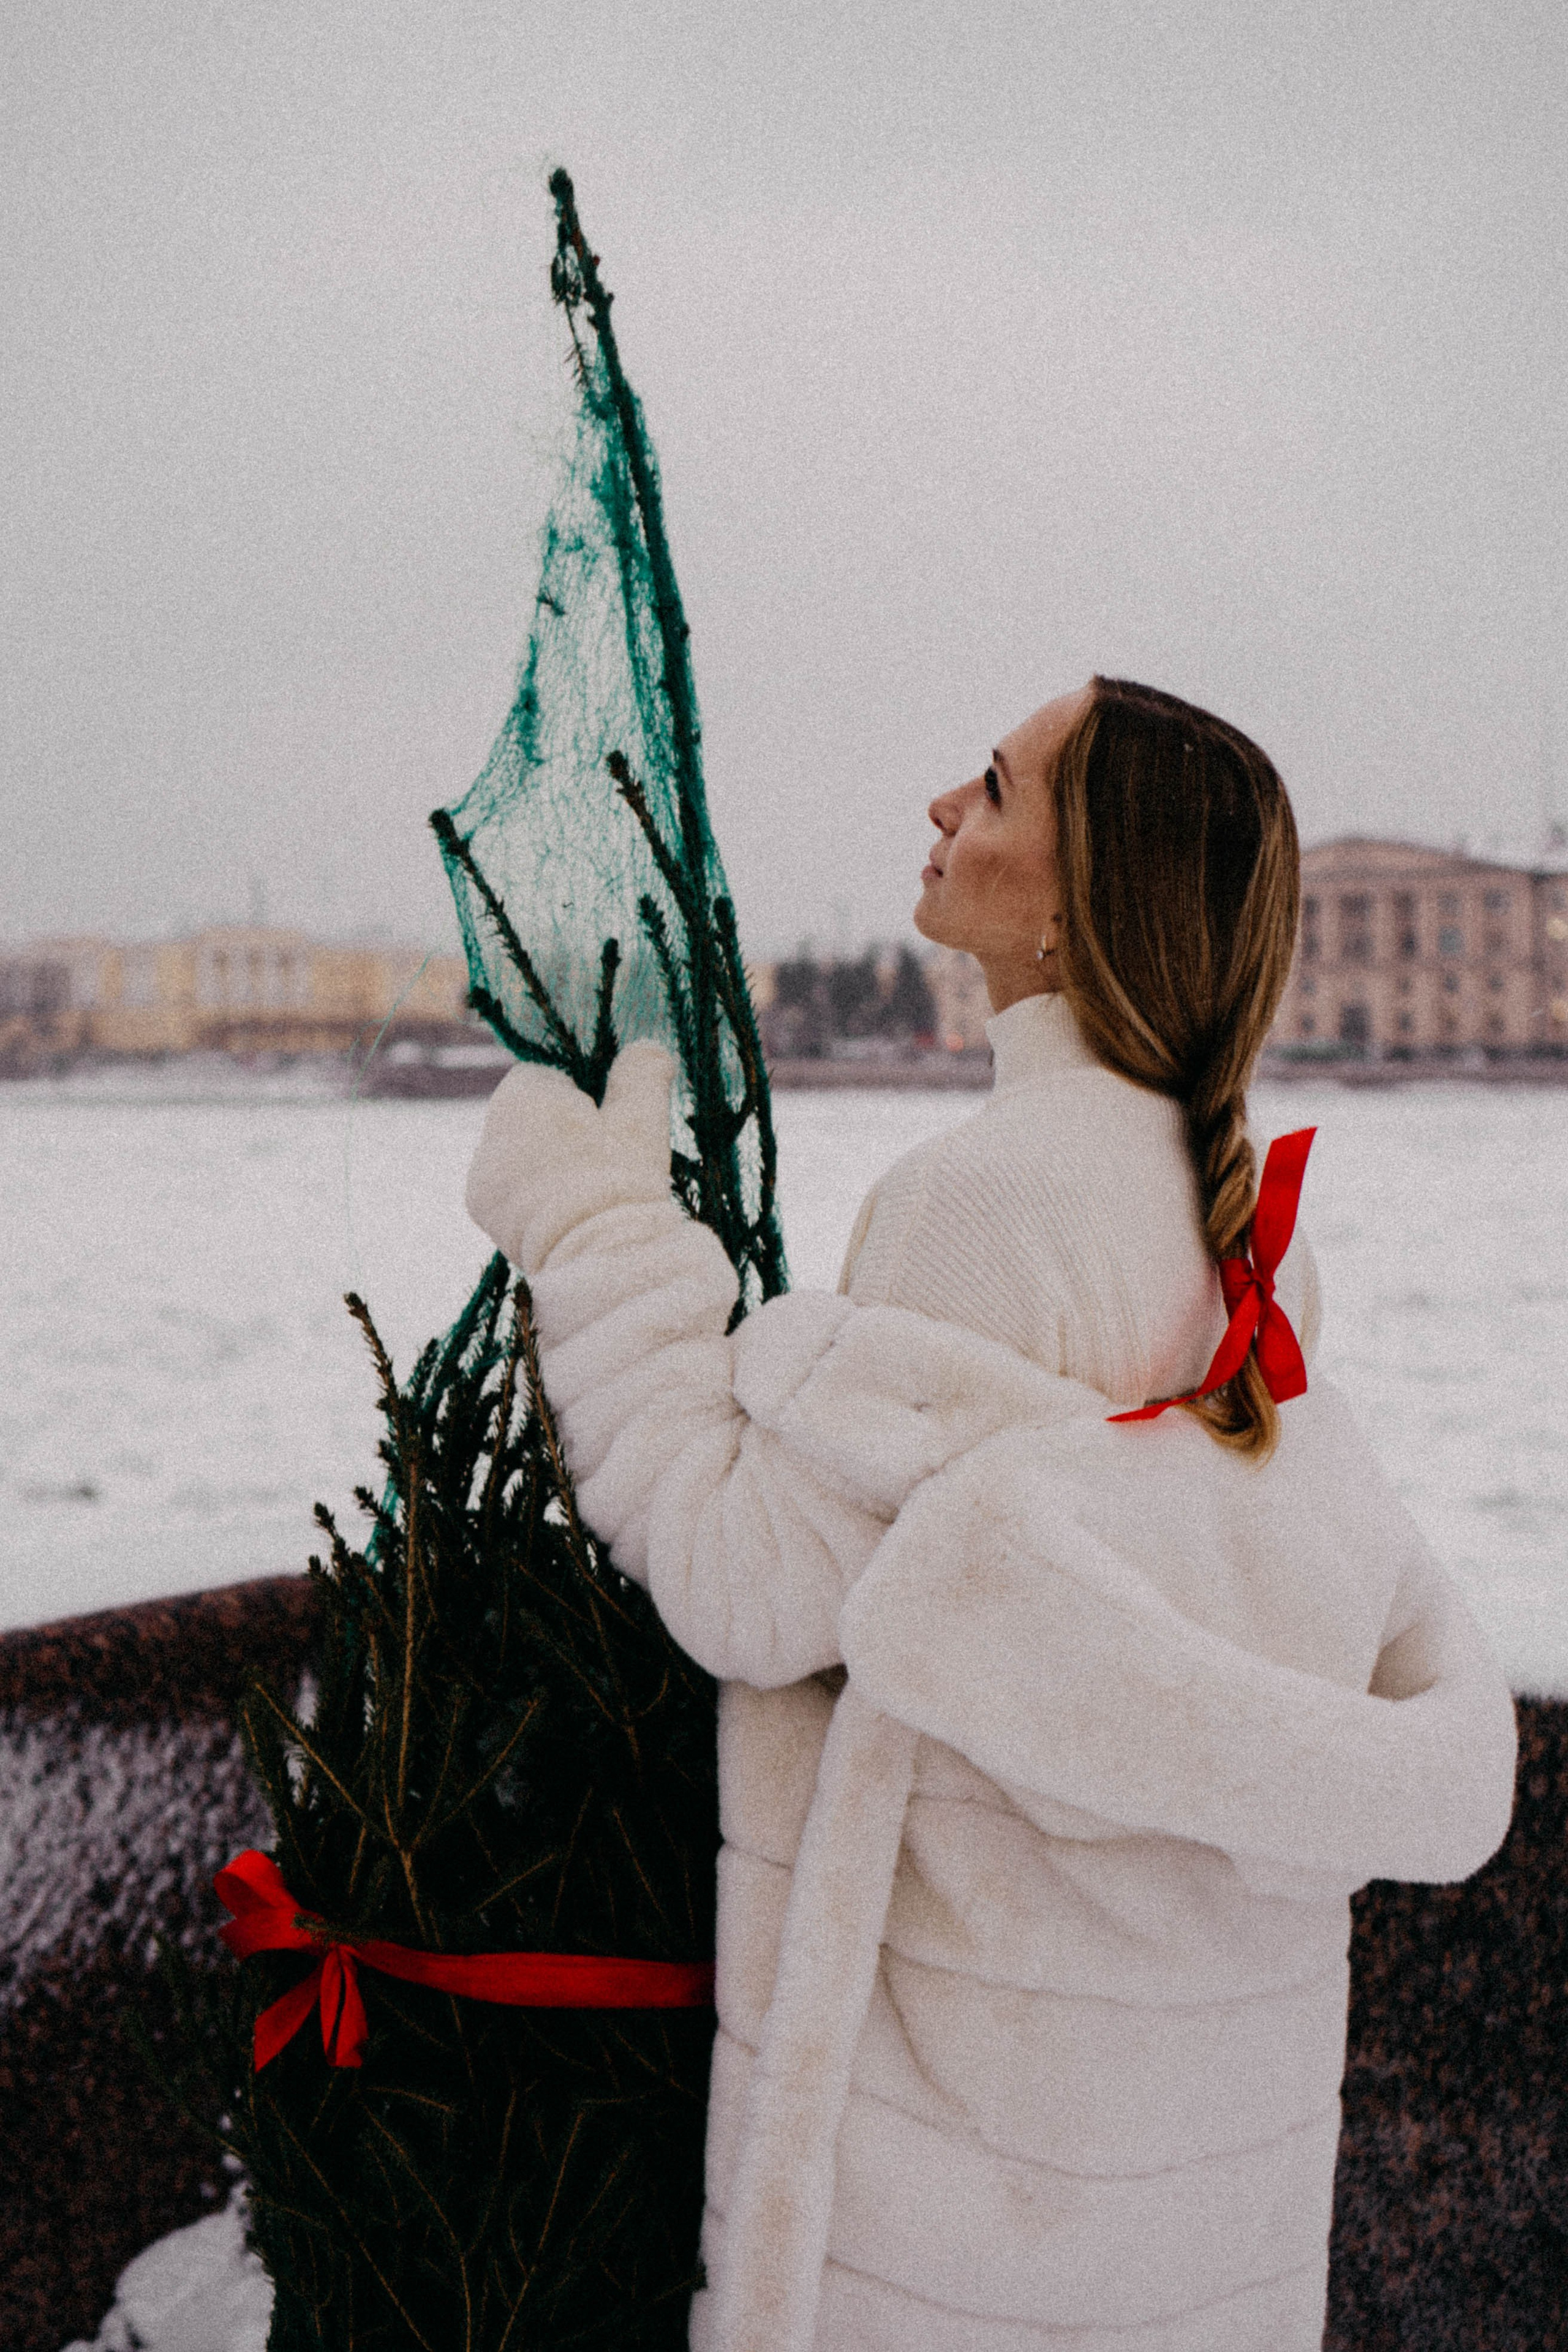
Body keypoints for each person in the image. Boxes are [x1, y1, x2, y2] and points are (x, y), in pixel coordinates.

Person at [464, 675, 1516, 2352]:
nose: (942, 810)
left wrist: (598, 1232)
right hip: (1183, 2184)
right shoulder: (1256, 1237)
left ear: (1080, 893)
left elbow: (747, 1583)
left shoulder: (978, 1204)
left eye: (996, 786)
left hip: (954, 2198)